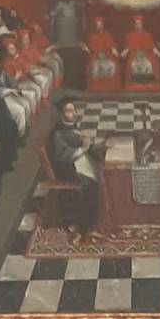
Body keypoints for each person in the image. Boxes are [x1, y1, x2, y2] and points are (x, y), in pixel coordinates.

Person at [47, 96, 103, 236]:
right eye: (68, 111)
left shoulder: (69, 126)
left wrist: (88, 143)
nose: (72, 114)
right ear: (61, 114)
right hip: (66, 168)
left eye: (73, 110)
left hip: (77, 162)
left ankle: (98, 218)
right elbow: (61, 156)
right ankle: (85, 226)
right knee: (92, 185)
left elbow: (75, 140)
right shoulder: (58, 133)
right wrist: (83, 148)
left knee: (101, 172)